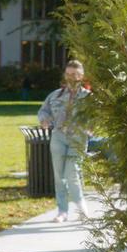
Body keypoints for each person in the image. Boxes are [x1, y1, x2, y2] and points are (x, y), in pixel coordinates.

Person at [38, 60, 92, 222]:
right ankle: (62, 211)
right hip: (58, 137)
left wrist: (91, 127)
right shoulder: (55, 95)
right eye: (68, 74)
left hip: (78, 138)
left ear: (81, 76)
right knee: (59, 175)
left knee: (72, 172)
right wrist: (44, 120)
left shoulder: (89, 97)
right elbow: (43, 110)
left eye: (74, 75)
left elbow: (97, 116)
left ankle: (82, 208)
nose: (71, 78)